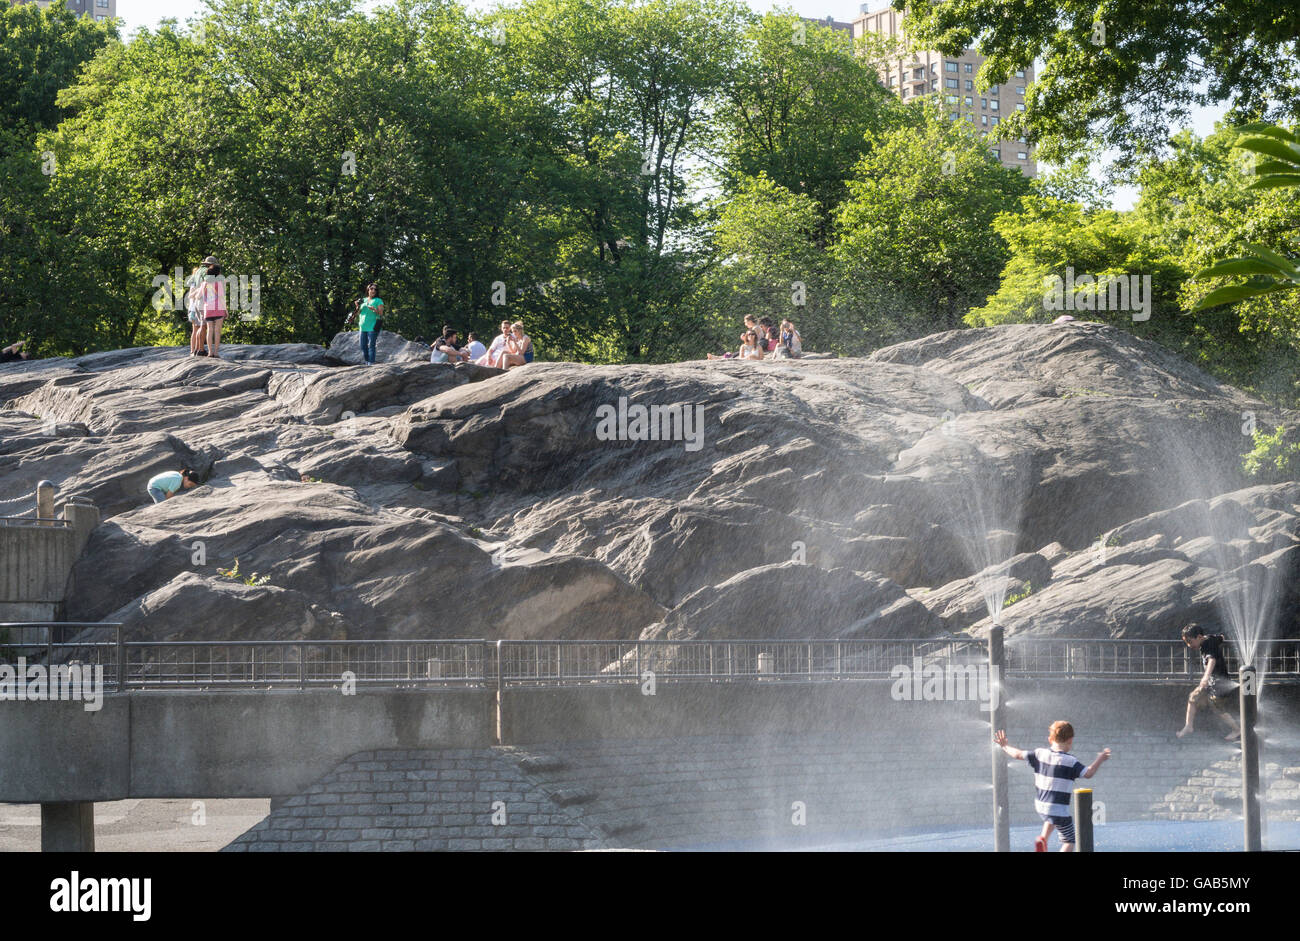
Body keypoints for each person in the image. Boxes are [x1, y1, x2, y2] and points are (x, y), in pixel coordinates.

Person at [995, 723, 1110, 852]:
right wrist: (1100, 759)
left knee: (1050, 817)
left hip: (1041, 805)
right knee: (1070, 840)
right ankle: (1045, 841)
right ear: (1070, 741)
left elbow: (1017, 754)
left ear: (1050, 739)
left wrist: (1004, 745)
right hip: (1059, 810)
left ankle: (1042, 839)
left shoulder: (1040, 754)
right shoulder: (1070, 761)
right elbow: (1088, 773)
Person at [1177, 625, 1242, 741]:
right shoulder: (1210, 639)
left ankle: (1237, 729)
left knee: (1217, 707)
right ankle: (1188, 726)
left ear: (1199, 637)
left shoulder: (1206, 645)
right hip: (1210, 682)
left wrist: (1205, 678)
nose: (1189, 645)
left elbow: (1212, 660)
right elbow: (1220, 637)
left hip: (1218, 682)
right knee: (1193, 697)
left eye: (1190, 641)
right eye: (1186, 642)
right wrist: (1220, 638)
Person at [350, 283, 384, 365]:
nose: (373, 290)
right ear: (368, 290)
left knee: (371, 346)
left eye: (375, 289)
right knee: (363, 346)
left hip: (372, 326)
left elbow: (381, 313)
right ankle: (366, 361)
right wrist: (357, 306)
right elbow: (358, 313)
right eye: (371, 288)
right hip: (362, 326)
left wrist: (374, 310)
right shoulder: (363, 300)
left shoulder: (378, 300)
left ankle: (371, 363)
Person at [200, 256, 227, 359]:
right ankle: (216, 352)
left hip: (208, 309)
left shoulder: (204, 284)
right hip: (218, 309)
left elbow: (202, 297)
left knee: (209, 330)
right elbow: (221, 298)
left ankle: (210, 352)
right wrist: (225, 310)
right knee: (217, 331)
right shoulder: (218, 283)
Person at [184, 264, 207, 356]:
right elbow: (191, 295)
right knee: (198, 329)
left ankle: (193, 350)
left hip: (192, 308)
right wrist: (199, 290)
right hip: (194, 308)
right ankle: (195, 349)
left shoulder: (193, 283)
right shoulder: (195, 285)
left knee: (196, 329)